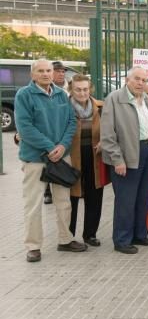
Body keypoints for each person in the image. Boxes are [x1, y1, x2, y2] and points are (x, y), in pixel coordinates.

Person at [16, 59, 82, 262]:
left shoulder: (62, 94)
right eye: (41, 71)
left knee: (64, 202)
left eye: (49, 70)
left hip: (61, 157)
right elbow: (25, 128)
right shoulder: (24, 95)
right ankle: (33, 246)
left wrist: (61, 146)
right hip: (35, 158)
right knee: (33, 204)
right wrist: (49, 146)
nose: (46, 74)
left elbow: (72, 122)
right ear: (33, 74)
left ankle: (65, 239)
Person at [100, 67, 148, 254]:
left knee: (142, 196)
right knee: (126, 199)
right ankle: (122, 240)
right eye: (137, 79)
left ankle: (139, 235)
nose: (141, 83)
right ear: (127, 79)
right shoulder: (114, 99)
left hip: (147, 150)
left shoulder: (146, 99)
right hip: (127, 153)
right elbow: (108, 134)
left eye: (144, 79)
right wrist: (117, 160)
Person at [68, 74, 106, 247]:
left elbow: (110, 127)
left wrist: (104, 141)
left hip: (94, 154)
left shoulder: (100, 107)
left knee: (94, 194)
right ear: (71, 90)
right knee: (72, 195)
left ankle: (90, 234)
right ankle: (68, 234)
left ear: (90, 89)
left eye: (85, 89)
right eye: (78, 89)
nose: (82, 93)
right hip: (71, 156)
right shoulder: (63, 106)